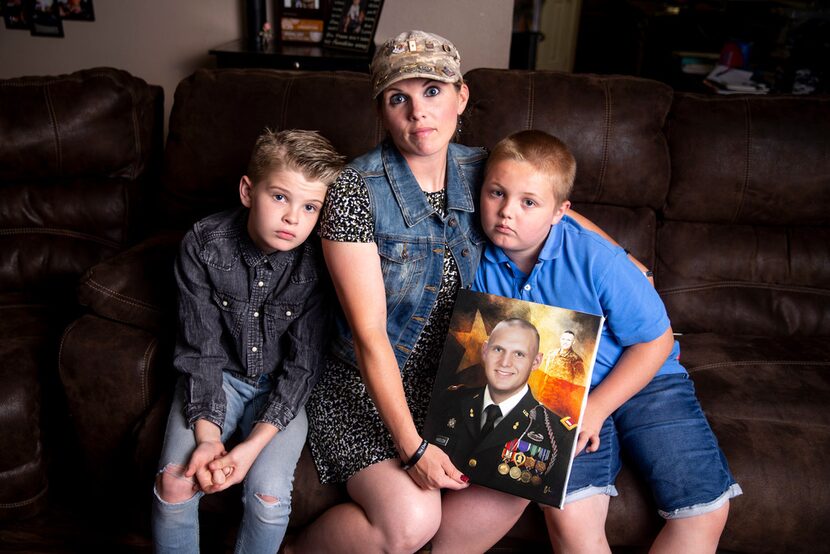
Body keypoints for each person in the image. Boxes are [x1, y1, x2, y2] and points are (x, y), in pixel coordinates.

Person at [290, 30, 628, 554]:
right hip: (366, 386)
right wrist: (412, 447)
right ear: (381, 110)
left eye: (432, 91)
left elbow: (557, 212)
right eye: (398, 97)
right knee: (411, 520)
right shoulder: (354, 191)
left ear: (461, 97)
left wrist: (627, 261)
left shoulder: (485, 170)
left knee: (522, 469)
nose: (417, 112)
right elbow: (369, 336)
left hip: (460, 379)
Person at [473, 129, 742, 553]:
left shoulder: (597, 259)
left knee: (704, 510)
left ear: (560, 212)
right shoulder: (476, 261)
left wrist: (597, 408)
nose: (507, 212)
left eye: (529, 202)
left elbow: (655, 342)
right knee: (571, 515)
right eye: (496, 193)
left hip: (644, 376)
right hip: (557, 389)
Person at [151, 129, 345, 553]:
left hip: (281, 390)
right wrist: (208, 438)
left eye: (310, 206)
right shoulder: (203, 244)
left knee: (270, 499)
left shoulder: (320, 261)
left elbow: (302, 368)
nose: (293, 218)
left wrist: (251, 448)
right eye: (280, 197)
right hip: (218, 376)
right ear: (247, 191)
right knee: (175, 480)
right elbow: (200, 351)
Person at [425, 318, 575, 505]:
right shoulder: (450, 399)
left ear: (536, 361)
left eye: (519, 354)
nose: (505, 362)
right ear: (485, 350)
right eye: (498, 350)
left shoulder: (557, 433)